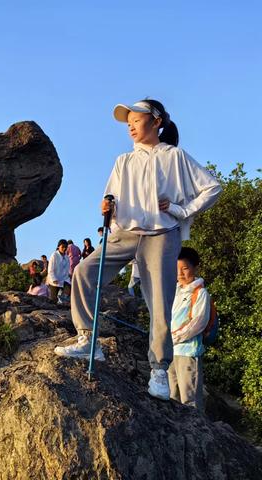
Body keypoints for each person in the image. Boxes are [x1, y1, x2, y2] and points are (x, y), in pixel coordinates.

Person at [54, 99, 222, 401]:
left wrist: (182, 211)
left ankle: (158, 369)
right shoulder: (123, 161)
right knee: (82, 273)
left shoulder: (175, 156)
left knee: (159, 301)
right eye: (127, 121)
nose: (130, 125)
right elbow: (111, 199)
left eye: (136, 119)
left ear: (156, 121)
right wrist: (107, 206)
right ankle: (89, 340)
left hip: (162, 234)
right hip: (126, 233)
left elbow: (213, 187)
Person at [169, 247, 210, 410]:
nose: (180, 273)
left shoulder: (200, 293)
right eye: (177, 269)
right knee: (172, 397)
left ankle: (198, 434)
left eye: (185, 268)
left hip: (188, 354)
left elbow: (198, 323)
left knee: (190, 400)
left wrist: (173, 337)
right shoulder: (175, 292)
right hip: (171, 352)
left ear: (195, 267)